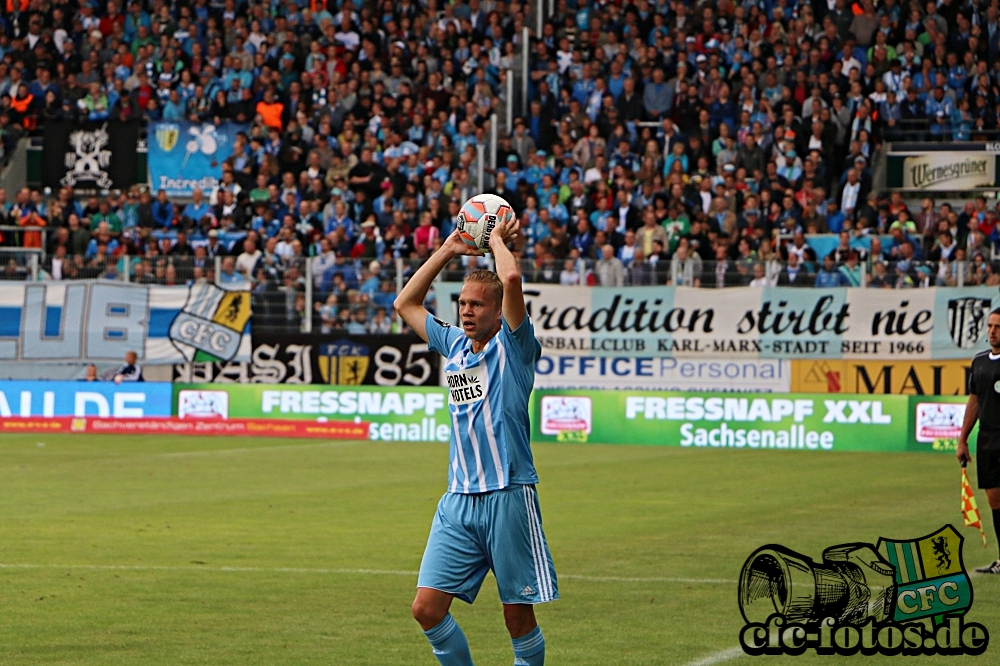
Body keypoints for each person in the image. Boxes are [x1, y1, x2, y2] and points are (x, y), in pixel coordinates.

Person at [394, 215, 555, 666]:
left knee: (516, 617)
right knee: (426, 609)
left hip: (507, 495)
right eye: (462, 303)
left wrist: (498, 239)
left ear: (498, 310)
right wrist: (447, 250)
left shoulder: (515, 347)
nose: (466, 310)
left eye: (477, 305)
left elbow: (511, 277)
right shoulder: (454, 347)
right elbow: (405, 303)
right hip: (458, 501)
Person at [958, 308, 1000, 573]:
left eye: (998, 326)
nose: (993, 330)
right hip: (987, 440)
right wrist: (962, 439)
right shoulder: (980, 361)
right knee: (995, 500)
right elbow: (974, 400)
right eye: (990, 325)